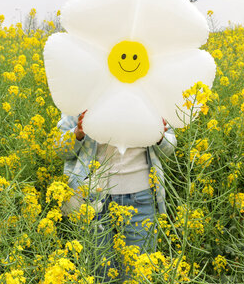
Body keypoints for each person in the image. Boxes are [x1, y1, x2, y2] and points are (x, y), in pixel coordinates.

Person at [57, 111, 176, 281]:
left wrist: (159, 137)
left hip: (140, 199)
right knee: (100, 276)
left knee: (137, 276)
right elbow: (60, 149)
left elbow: (169, 149)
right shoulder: (82, 93)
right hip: (92, 201)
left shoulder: (149, 93)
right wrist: (78, 133)